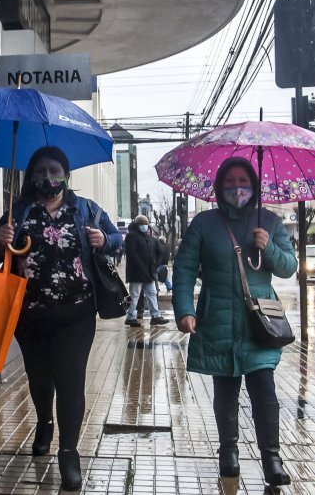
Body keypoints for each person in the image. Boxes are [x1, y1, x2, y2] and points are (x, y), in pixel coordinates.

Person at [0, 146, 122, 491]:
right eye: (40, 172)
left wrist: (104, 239)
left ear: (66, 175)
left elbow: (118, 241)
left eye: (54, 171)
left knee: (69, 379)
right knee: (39, 378)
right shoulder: (16, 213)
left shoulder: (86, 210)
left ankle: (68, 452)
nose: (47, 178)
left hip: (77, 314)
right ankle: (44, 421)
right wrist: (0, 239)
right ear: (30, 177)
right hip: (29, 315)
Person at [172, 157, 297, 487]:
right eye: (230, 181)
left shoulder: (269, 221)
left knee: (265, 392)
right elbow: (184, 269)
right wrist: (185, 310)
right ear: (219, 186)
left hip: (259, 322)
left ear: (254, 186)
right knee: (225, 391)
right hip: (217, 319)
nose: (237, 187)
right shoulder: (203, 223)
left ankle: (272, 457)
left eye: (243, 180)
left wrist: (268, 247)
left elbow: (288, 267)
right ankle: (228, 452)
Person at [124, 215, 170, 327]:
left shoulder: (148, 237)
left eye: (146, 223)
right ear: (137, 224)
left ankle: (155, 316)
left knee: (152, 293)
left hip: (148, 272)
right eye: (142, 223)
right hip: (137, 273)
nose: (144, 226)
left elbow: (157, 253)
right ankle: (130, 317)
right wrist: (147, 266)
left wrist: (154, 264)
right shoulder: (132, 236)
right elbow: (132, 255)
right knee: (135, 295)